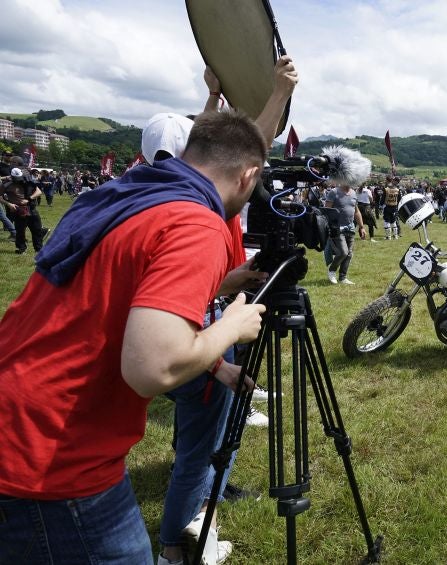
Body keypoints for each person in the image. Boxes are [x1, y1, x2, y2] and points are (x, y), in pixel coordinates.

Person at [0, 109, 268, 564]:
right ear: (249, 176)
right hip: (54, 456)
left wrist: (221, 283)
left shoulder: (131, 196)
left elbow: (119, 288)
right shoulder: (196, 221)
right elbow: (153, 366)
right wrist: (230, 328)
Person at [152, 57, 297, 565]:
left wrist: (214, 97)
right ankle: (180, 540)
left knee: (201, 432)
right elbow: (161, 353)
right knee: (200, 446)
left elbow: (221, 150)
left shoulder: (155, 190)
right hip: (57, 466)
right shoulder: (193, 220)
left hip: (215, 303)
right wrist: (224, 346)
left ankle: (197, 516)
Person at [325, 175, 369, 284]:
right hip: (337, 228)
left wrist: (362, 227)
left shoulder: (354, 193)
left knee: (349, 254)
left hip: (350, 228)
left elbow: (356, 211)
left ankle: (343, 277)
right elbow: (326, 211)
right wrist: (328, 227)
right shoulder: (334, 192)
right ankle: (332, 270)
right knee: (343, 252)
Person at [2, 166, 45, 254]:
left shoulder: (28, 182)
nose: (19, 180)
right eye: (16, 178)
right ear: (12, 177)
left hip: (31, 208)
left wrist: (29, 198)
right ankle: (21, 249)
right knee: (20, 231)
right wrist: (9, 204)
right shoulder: (7, 185)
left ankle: (39, 249)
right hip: (18, 210)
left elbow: (39, 191)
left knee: (37, 229)